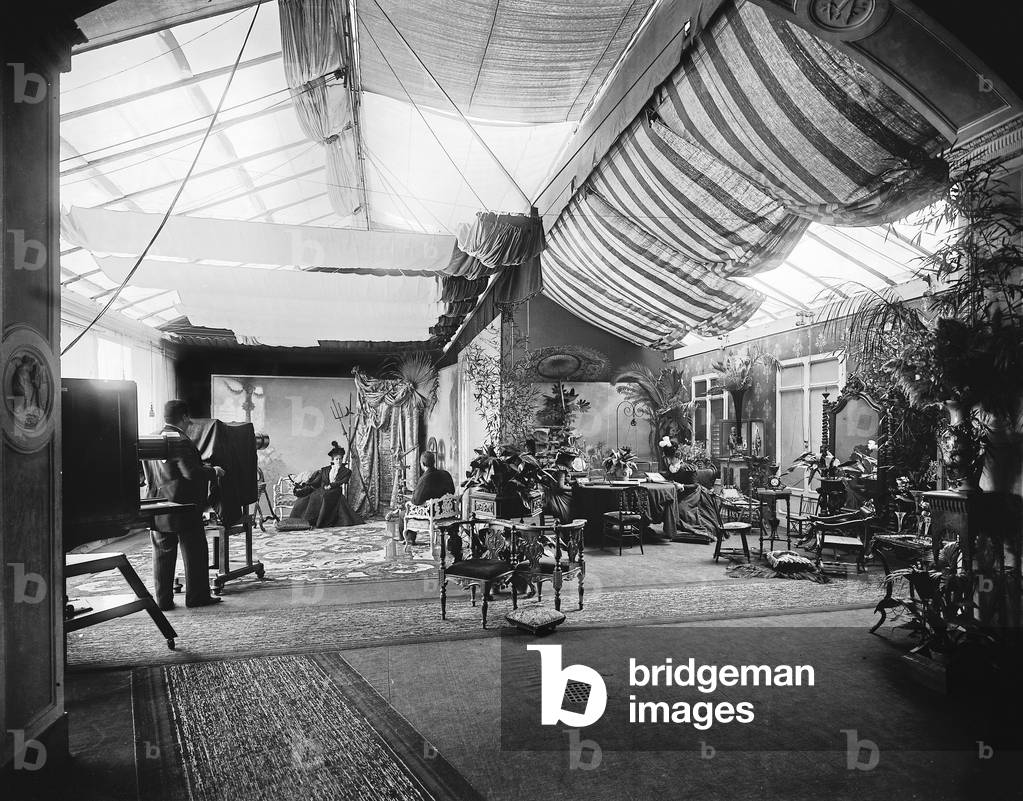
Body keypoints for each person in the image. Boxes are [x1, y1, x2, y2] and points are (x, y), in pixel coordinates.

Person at [144, 400, 223, 610]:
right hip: (183, 506)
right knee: (194, 551)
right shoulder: (180, 440)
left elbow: (147, 474)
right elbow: (191, 473)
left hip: (158, 505)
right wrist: (213, 471)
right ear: (185, 417)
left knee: (162, 553)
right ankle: (197, 597)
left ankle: (163, 601)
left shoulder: (152, 437)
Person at [288, 442, 363, 528]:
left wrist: (331, 485)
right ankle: (308, 520)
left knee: (325, 496)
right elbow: (317, 482)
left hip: (335, 490)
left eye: (340, 459)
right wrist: (306, 484)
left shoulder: (347, 471)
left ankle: (322, 522)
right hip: (323, 488)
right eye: (336, 459)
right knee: (312, 496)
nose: (339, 461)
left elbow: (343, 481)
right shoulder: (325, 470)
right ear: (332, 460)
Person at [403, 451, 456, 546]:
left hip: (433, 512)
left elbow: (416, 501)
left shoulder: (425, 478)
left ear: (422, 464)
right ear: (434, 462)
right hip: (447, 510)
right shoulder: (445, 474)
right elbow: (452, 491)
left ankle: (409, 540)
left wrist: (414, 494)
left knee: (403, 512)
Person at [543, 449, 576, 523]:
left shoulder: (557, 466)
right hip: (558, 496)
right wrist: (574, 489)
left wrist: (575, 482)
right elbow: (561, 487)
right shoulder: (561, 469)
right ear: (566, 459)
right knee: (577, 500)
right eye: (571, 460)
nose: (572, 462)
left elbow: (563, 481)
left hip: (553, 494)